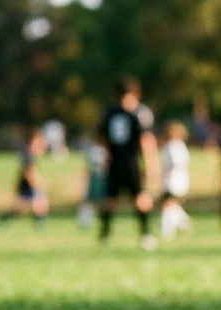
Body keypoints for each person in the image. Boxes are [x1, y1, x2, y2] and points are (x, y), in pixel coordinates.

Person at [98, 75, 158, 250]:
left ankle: (142, 234)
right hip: (126, 163)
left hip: (124, 163)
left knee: (137, 199)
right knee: (113, 200)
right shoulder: (139, 113)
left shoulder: (108, 112)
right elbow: (146, 141)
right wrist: (151, 164)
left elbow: (102, 138)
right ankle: (107, 235)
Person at [3, 130, 48, 228]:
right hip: (28, 185)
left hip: (29, 185)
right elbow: (28, 171)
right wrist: (35, 184)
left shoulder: (31, 153)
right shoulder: (26, 154)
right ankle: (40, 226)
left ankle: (40, 226)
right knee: (38, 205)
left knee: (39, 205)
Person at [159, 121, 192, 238]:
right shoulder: (180, 145)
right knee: (171, 204)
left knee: (167, 204)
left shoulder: (172, 146)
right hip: (180, 179)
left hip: (173, 180)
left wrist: (163, 174)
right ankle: (182, 220)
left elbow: (175, 163)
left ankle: (167, 230)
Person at [78, 139, 109, 230]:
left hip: (101, 177)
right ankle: (84, 221)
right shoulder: (96, 149)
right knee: (90, 201)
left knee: (102, 201)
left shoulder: (96, 149)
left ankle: (101, 222)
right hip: (96, 177)